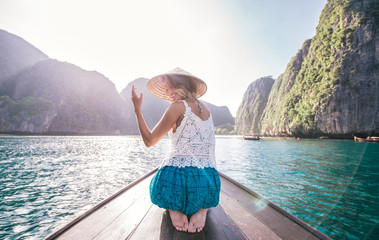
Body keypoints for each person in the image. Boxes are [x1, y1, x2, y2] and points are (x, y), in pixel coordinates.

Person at [131, 68, 220, 233]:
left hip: (177, 188)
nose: (169, 93)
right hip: (208, 187)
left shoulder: (177, 107)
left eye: (171, 88)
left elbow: (149, 141)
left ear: (181, 84)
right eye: (166, 90)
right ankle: (202, 210)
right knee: (202, 180)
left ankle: (175, 209)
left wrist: (137, 109)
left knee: (158, 185)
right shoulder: (206, 109)